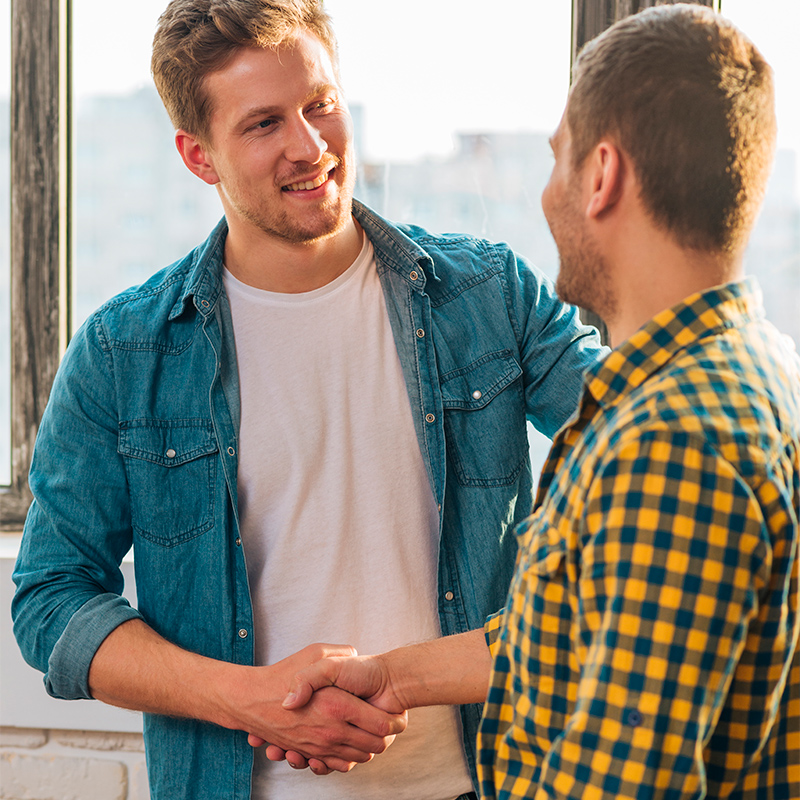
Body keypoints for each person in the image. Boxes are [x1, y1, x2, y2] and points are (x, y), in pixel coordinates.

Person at [10, 1, 605, 798]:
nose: (310, 145)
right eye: (262, 124)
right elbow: (52, 600)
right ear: (199, 155)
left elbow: (645, 444)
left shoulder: (489, 295)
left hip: (483, 782)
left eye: (320, 104)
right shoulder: (125, 353)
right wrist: (245, 699)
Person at [279, 5, 800, 799]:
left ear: (601, 176)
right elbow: (577, 639)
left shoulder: (669, 444)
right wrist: (394, 676)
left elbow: (623, 784)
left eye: (557, 161)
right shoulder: (755, 373)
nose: (546, 195)